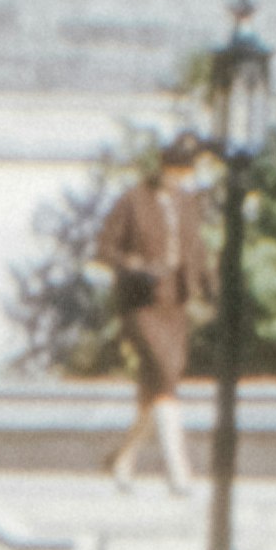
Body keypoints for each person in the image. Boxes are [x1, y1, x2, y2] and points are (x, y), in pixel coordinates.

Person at [92, 139, 207, 480]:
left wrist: (207, 291)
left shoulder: (187, 203)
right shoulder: (133, 200)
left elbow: (196, 250)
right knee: (165, 374)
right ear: (161, 168)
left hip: (174, 302)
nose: (179, 179)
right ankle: (178, 468)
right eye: (173, 172)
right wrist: (135, 265)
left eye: (184, 173)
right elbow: (105, 247)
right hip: (141, 303)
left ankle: (123, 458)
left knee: (157, 385)